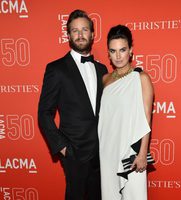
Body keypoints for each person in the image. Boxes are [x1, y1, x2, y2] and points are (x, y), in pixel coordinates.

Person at [38, 9, 107, 200]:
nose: (80, 34)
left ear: (92, 34)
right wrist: (63, 148)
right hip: (75, 153)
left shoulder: (102, 69)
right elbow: (44, 113)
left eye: (84, 29)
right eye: (75, 30)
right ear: (68, 35)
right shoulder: (56, 69)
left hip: (102, 154)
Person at [98, 25, 155, 200]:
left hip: (131, 151)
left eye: (122, 50)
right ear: (108, 53)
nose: (118, 56)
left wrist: (143, 152)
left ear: (130, 50)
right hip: (107, 150)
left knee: (134, 195)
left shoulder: (141, 78)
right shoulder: (105, 80)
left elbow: (146, 118)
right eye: (113, 51)